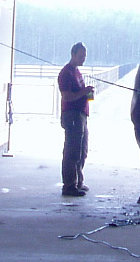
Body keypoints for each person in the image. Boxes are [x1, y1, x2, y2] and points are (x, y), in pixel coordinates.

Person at [57, 42, 94, 196]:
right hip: (72, 115)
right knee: (72, 151)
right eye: (81, 56)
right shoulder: (66, 73)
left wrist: (88, 94)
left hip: (81, 115)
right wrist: (83, 92)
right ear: (73, 55)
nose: (83, 59)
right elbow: (66, 96)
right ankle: (69, 186)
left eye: (84, 56)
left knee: (82, 150)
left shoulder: (77, 72)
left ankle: (78, 181)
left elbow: (80, 92)